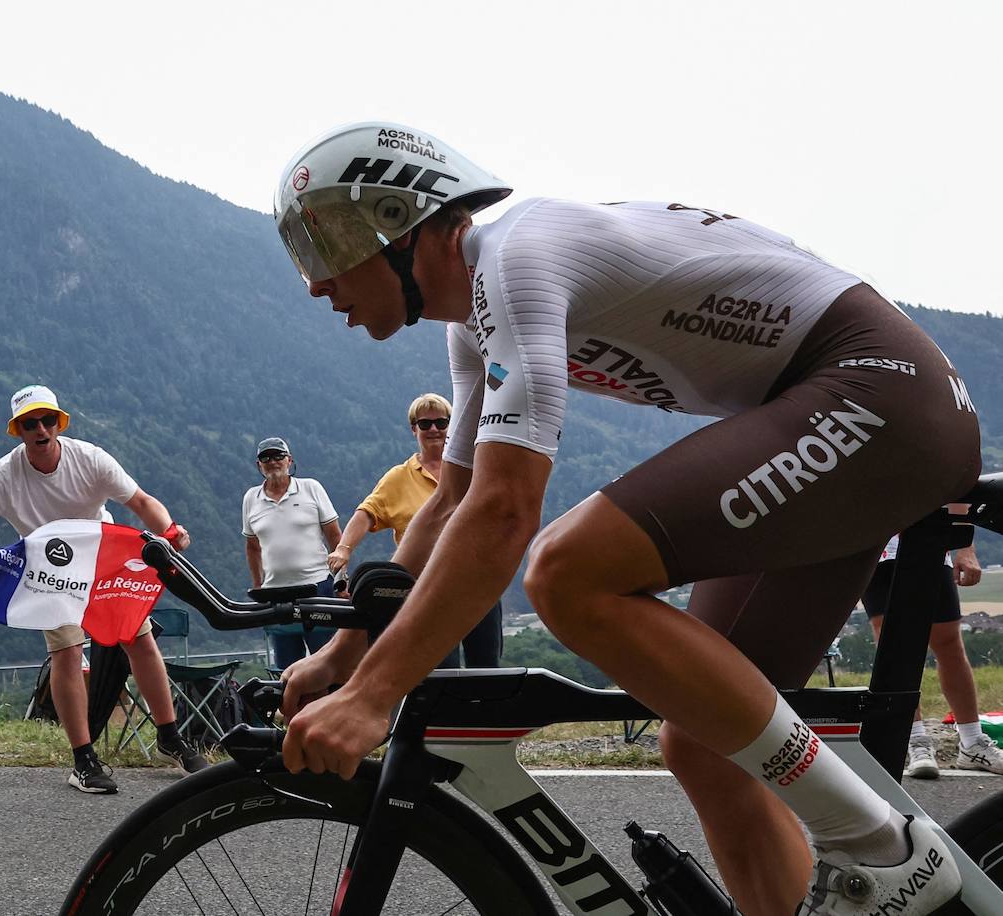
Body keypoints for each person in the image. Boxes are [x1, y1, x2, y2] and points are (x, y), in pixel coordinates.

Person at [272, 122, 980, 915]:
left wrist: (375, 696)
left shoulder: (516, 256)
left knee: (567, 571)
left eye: (326, 244)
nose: (314, 281)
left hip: (883, 392)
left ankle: (880, 847)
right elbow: (453, 501)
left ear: (401, 220)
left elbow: (506, 512)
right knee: (707, 741)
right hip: (848, 413)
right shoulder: (470, 323)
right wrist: (347, 652)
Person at [0, 385, 206, 795]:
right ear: (19, 431)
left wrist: (167, 535)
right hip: (49, 571)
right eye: (31, 423)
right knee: (66, 652)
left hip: (102, 560)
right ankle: (83, 760)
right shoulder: (3, 474)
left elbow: (144, 503)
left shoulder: (90, 458)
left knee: (140, 640)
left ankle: (171, 739)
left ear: (59, 424)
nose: (41, 429)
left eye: (48, 421)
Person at [328, 392, 502, 668]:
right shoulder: (399, 477)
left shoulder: (474, 467)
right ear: (414, 429)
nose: (433, 429)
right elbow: (366, 513)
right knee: (438, 670)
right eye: (425, 424)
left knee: (486, 666)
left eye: (441, 423)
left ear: (452, 426)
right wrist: (344, 548)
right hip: (425, 588)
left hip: (477, 582)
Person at [862, 529, 1003, 778]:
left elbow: (957, 492)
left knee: (948, 640)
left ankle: (972, 742)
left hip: (931, 537)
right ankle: (915, 740)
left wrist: (965, 548)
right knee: (892, 640)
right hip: (875, 540)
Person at [242, 437, 343, 670]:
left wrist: (341, 581)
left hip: (318, 587)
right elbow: (252, 546)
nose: (273, 461)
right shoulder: (251, 498)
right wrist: (258, 587)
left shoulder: (311, 488)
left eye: (278, 456)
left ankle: (329, 707)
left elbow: (336, 538)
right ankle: (295, 708)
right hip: (276, 594)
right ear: (259, 465)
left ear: (289, 461)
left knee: (326, 665)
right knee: (287, 669)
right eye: (265, 458)